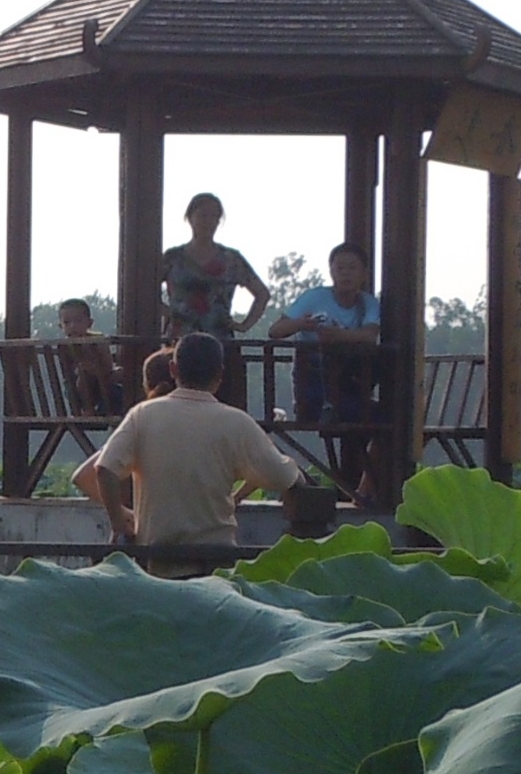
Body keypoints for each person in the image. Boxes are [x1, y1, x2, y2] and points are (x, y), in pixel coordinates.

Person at [77, 331, 302, 558]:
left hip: (156, 559)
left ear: (174, 369)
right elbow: (281, 476)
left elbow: (104, 469)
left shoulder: (143, 414)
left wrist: (119, 521)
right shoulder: (237, 422)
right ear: (220, 374)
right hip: (214, 558)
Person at [278, 241, 385, 479]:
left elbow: (370, 335)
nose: (345, 274)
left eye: (352, 268)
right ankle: (359, 487)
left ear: (364, 274)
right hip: (314, 388)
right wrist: (302, 324)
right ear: (331, 271)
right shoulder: (314, 298)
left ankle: (364, 486)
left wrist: (338, 337)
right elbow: (276, 330)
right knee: (376, 418)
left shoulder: (368, 303)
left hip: (350, 387)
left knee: (387, 420)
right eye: (340, 268)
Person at [160, 195, 270, 352]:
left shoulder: (231, 259)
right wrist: (167, 311)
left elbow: (262, 294)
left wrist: (243, 325)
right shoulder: (173, 257)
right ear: (190, 218)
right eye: (203, 215)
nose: (209, 221)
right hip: (178, 342)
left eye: (214, 216)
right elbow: (146, 290)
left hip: (219, 342)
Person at [52, 296, 122, 418]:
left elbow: (108, 367)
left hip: (104, 386)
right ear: (60, 326)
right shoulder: (64, 346)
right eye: (67, 323)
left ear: (89, 323)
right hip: (77, 392)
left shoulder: (98, 340)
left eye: (78, 321)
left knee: (121, 374)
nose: (73, 326)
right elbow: (67, 376)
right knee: (82, 376)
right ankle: (88, 410)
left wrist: (95, 370)